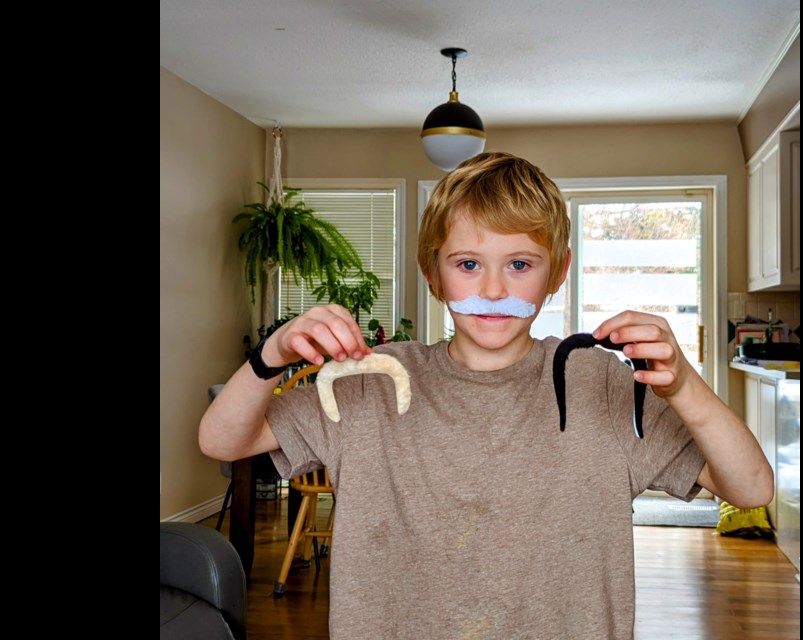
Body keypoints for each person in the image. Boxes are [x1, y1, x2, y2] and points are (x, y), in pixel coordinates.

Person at [200, 151, 773, 639]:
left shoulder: (599, 382)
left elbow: (750, 487)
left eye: (520, 264)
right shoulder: (369, 382)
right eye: (468, 264)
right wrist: (271, 355)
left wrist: (683, 384)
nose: (494, 290)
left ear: (557, 273)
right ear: (434, 273)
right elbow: (222, 439)